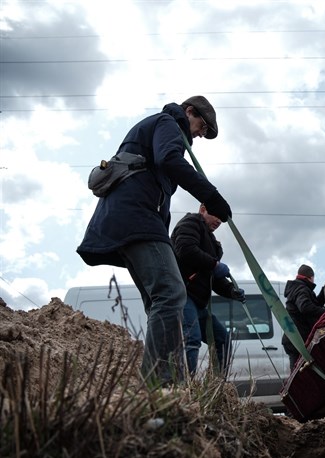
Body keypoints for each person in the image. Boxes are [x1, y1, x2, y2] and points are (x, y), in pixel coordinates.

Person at [77, 96, 232, 386]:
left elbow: (158, 179)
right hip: (135, 217)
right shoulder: (168, 123)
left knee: (160, 301)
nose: (200, 134)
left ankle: (167, 381)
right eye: (202, 126)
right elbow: (169, 160)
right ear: (189, 112)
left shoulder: (161, 129)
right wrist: (210, 195)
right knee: (172, 293)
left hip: (132, 219)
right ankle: (158, 385)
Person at [171, 204, 246, 378]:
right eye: (217, 216)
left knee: (222, 339)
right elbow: (186, 249)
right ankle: (184, 389)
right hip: (183, 293)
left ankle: (216, 386)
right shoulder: (190, 223)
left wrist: (230, 290)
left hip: (198, 302)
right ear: (203, 208)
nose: (219, 221)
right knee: (192, 338)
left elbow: (212, 279)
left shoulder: (212, 243)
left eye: (222, 219)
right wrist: (214, 264)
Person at [281, 265, 325, 368]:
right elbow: (305, 307)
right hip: (298, 340)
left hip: (294, 339)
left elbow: (314, 304)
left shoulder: (298, 288)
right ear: (310, 277)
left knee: (300, 374)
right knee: (300, 376)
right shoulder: (301, 289)